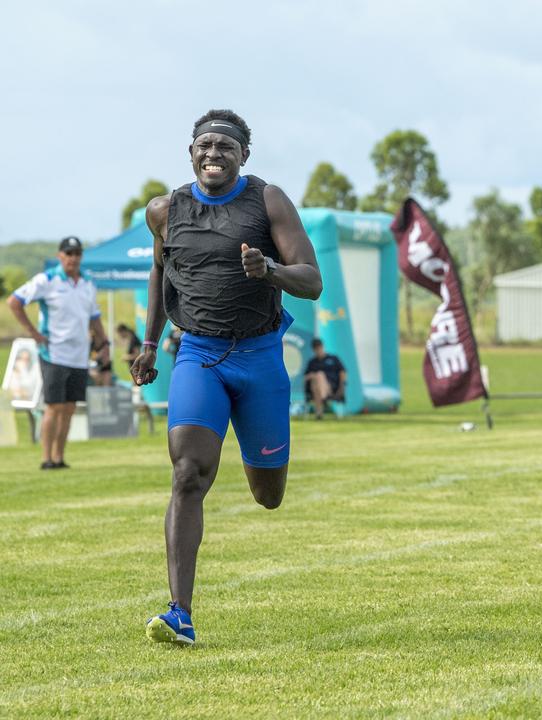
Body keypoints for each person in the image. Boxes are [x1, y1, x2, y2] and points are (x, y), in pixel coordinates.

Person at [131, 109, 322, 645]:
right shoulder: (165, 211)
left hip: (259, 359)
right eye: (205, 145)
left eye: (226, 147)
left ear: (244, 156)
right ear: (190, 151)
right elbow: (158, 272)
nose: (214, 153)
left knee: (268, 495)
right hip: (197, 356)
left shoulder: (267, 201)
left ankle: (256, 452)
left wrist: (272, 270)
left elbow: (312, 281)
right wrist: (149, 344)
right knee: (188, 472)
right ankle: (179, 613)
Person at [6, 236, 108, 469]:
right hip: (54, 352)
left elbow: (94, 317)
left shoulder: (88, 283)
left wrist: (104, 344)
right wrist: (33, 332)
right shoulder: (47, 279)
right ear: (60, 256)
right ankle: (46, 458)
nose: (73, 258)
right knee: (54, 406)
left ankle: (59, 457)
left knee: (70, 407)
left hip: (79, 355)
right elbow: (14, 301)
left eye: (77, 254)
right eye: (68, 253)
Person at [304, 338, 346, 419]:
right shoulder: (312, 362)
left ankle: (319, 410)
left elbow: (342, 372)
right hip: (315, 389)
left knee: (320, 374)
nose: (318, 350)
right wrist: (312, 375)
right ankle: (323, 399)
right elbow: (305, 377)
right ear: (313, 350)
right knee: (317, 378)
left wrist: (342, 386)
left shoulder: (333, 358)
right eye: (316, 348)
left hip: (332, 387)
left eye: (319, 347)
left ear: (322, 347)